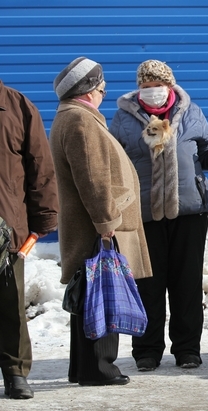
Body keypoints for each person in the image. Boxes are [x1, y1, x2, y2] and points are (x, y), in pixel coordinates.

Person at [109, 60, 208, 371]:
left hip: (189, 212)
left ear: (169, 86)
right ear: (138, 87)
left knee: (186, 284)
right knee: (148, 286)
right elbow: (114, 162)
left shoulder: (190, 112)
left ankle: (187, 349)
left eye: (158, 84)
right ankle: (146, 351)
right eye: (146, 84)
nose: (152, 90)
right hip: (143, 215)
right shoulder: (123, 118)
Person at [49, 57, 153, 385]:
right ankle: (100, 368)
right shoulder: (80, 121)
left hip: (93, 224)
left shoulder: (72, 117)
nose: (103, 92)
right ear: (89, 89)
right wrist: (106, 221)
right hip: (102, 227)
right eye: (101, 86)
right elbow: (93, 178)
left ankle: (84, 368)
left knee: (88, 295)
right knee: (103, 294)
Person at [0, 81, 59, 399]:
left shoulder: (18, 106)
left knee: (10, 304)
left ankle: (15, 373)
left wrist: (44, 219)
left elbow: (41, 166)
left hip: (6, 228)